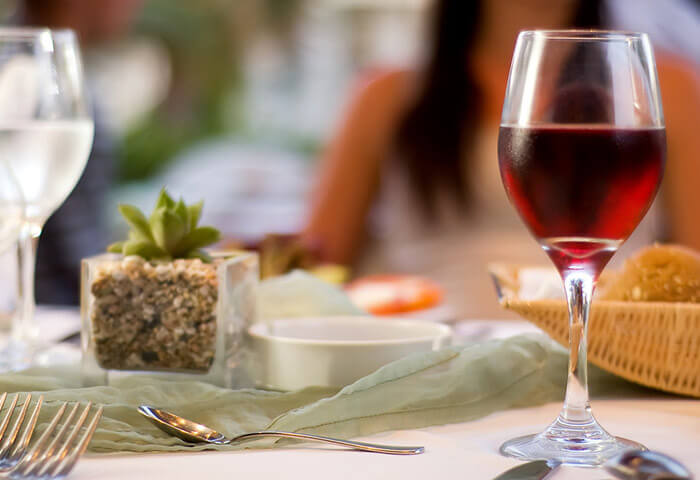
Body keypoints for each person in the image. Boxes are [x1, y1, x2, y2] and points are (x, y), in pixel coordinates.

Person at [303, 0, 700, 318]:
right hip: (429, 353)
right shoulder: (386, 96)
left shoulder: (665, 88)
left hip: (615, 357)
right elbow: (314, 272)